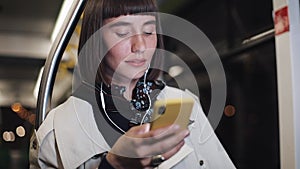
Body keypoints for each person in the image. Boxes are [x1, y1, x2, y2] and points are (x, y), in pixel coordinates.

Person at [30, 0, 236, 168]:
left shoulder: (183, 104)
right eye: (122, 33)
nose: (140, 46)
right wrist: (114, 164)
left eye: (148, 32)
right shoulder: (58, 129)